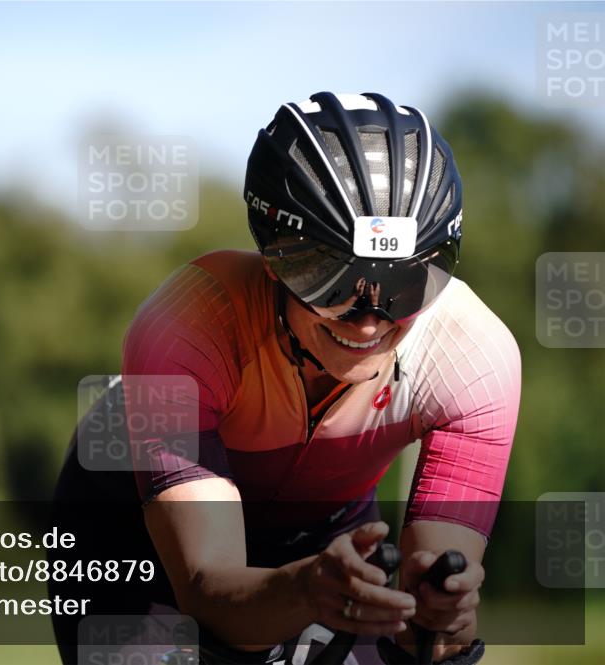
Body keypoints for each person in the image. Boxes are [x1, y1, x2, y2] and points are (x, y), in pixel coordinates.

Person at [49, 92, 520, 664]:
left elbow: (435, 596)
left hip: (324, 535)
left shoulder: (473, 355)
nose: (369, 318)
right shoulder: (189, 325)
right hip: (133, 534)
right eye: (332, 279)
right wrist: (303, 592)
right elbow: (209, 590)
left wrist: (439, 621)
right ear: (275, 258)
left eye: (403, 283)